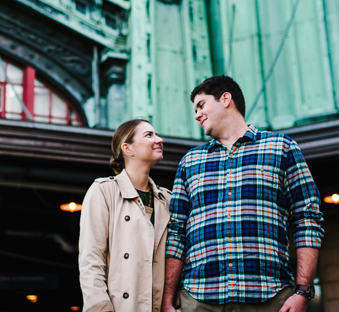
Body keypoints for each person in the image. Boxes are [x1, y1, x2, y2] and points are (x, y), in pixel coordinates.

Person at [162, 76, 324, 312]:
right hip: (199, 300)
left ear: (226, 99)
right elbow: (176, 233)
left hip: (270, 297)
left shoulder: (281, 147)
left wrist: (302, 291)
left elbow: (307, 218)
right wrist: (167, 301)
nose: (196, 114)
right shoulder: (190, 161)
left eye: (201, 105)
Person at [79, 119, 172, 312]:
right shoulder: (103, 191)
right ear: (127, 149)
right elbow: (91, 261)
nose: (159, 139)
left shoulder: (167, 200)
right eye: (149, 135)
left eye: (157, 134)